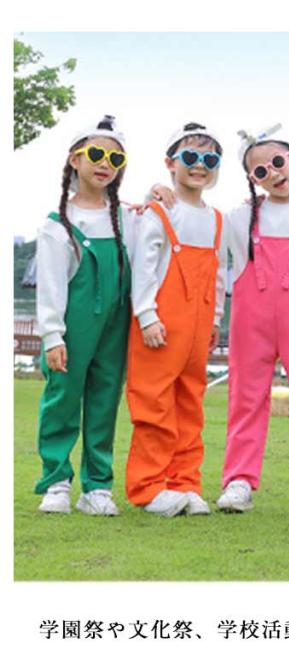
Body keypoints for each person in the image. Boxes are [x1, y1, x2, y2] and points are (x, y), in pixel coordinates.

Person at [35, 115, 135, 516]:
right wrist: (52, 336)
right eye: (96, 154)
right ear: (74, 159)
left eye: (115, 158)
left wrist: (160, 192)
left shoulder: (127, 217)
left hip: (115, 323)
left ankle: (97, 487)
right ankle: (56, 481)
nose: (105, 163)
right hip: (73, 324)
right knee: (62, 398)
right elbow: (50, 286)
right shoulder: (57, 224)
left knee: (105, 399)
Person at [125, 122, 225, 518]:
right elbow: (144, 268)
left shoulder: (216, 219)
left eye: (209, 160)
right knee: (153, 404)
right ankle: (149, 487)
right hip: (160, 324)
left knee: (190, 404)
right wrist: (146, 315)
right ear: (171, 163)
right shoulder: (159, 211)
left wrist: (215, 318)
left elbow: (219, 273)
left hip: (198, 325)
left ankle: (185, 482)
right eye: (190, 157)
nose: (200, 166)